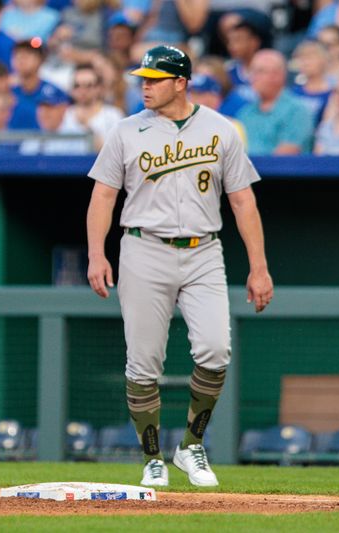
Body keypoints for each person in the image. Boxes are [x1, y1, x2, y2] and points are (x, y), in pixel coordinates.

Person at [85, 45, 272, 488]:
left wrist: (259, 266)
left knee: (215, 349)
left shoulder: (221, 129)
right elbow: (103, 195)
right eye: (143, 78)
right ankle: (152, 456)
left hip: (204, 249)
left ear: (181, 83)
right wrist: (96, 253)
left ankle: (190, 445)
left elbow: (243, 199)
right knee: (144, 360)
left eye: (154, 78)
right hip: (143, 247)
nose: (144, 85)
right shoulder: (127, 131)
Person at [236, 49, 314, 155]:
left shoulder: (297, 111)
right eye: (252, 72)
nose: (252, 78)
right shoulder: (245, 112)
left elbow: (286, 154)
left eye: (259, 71)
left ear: (278, 75)